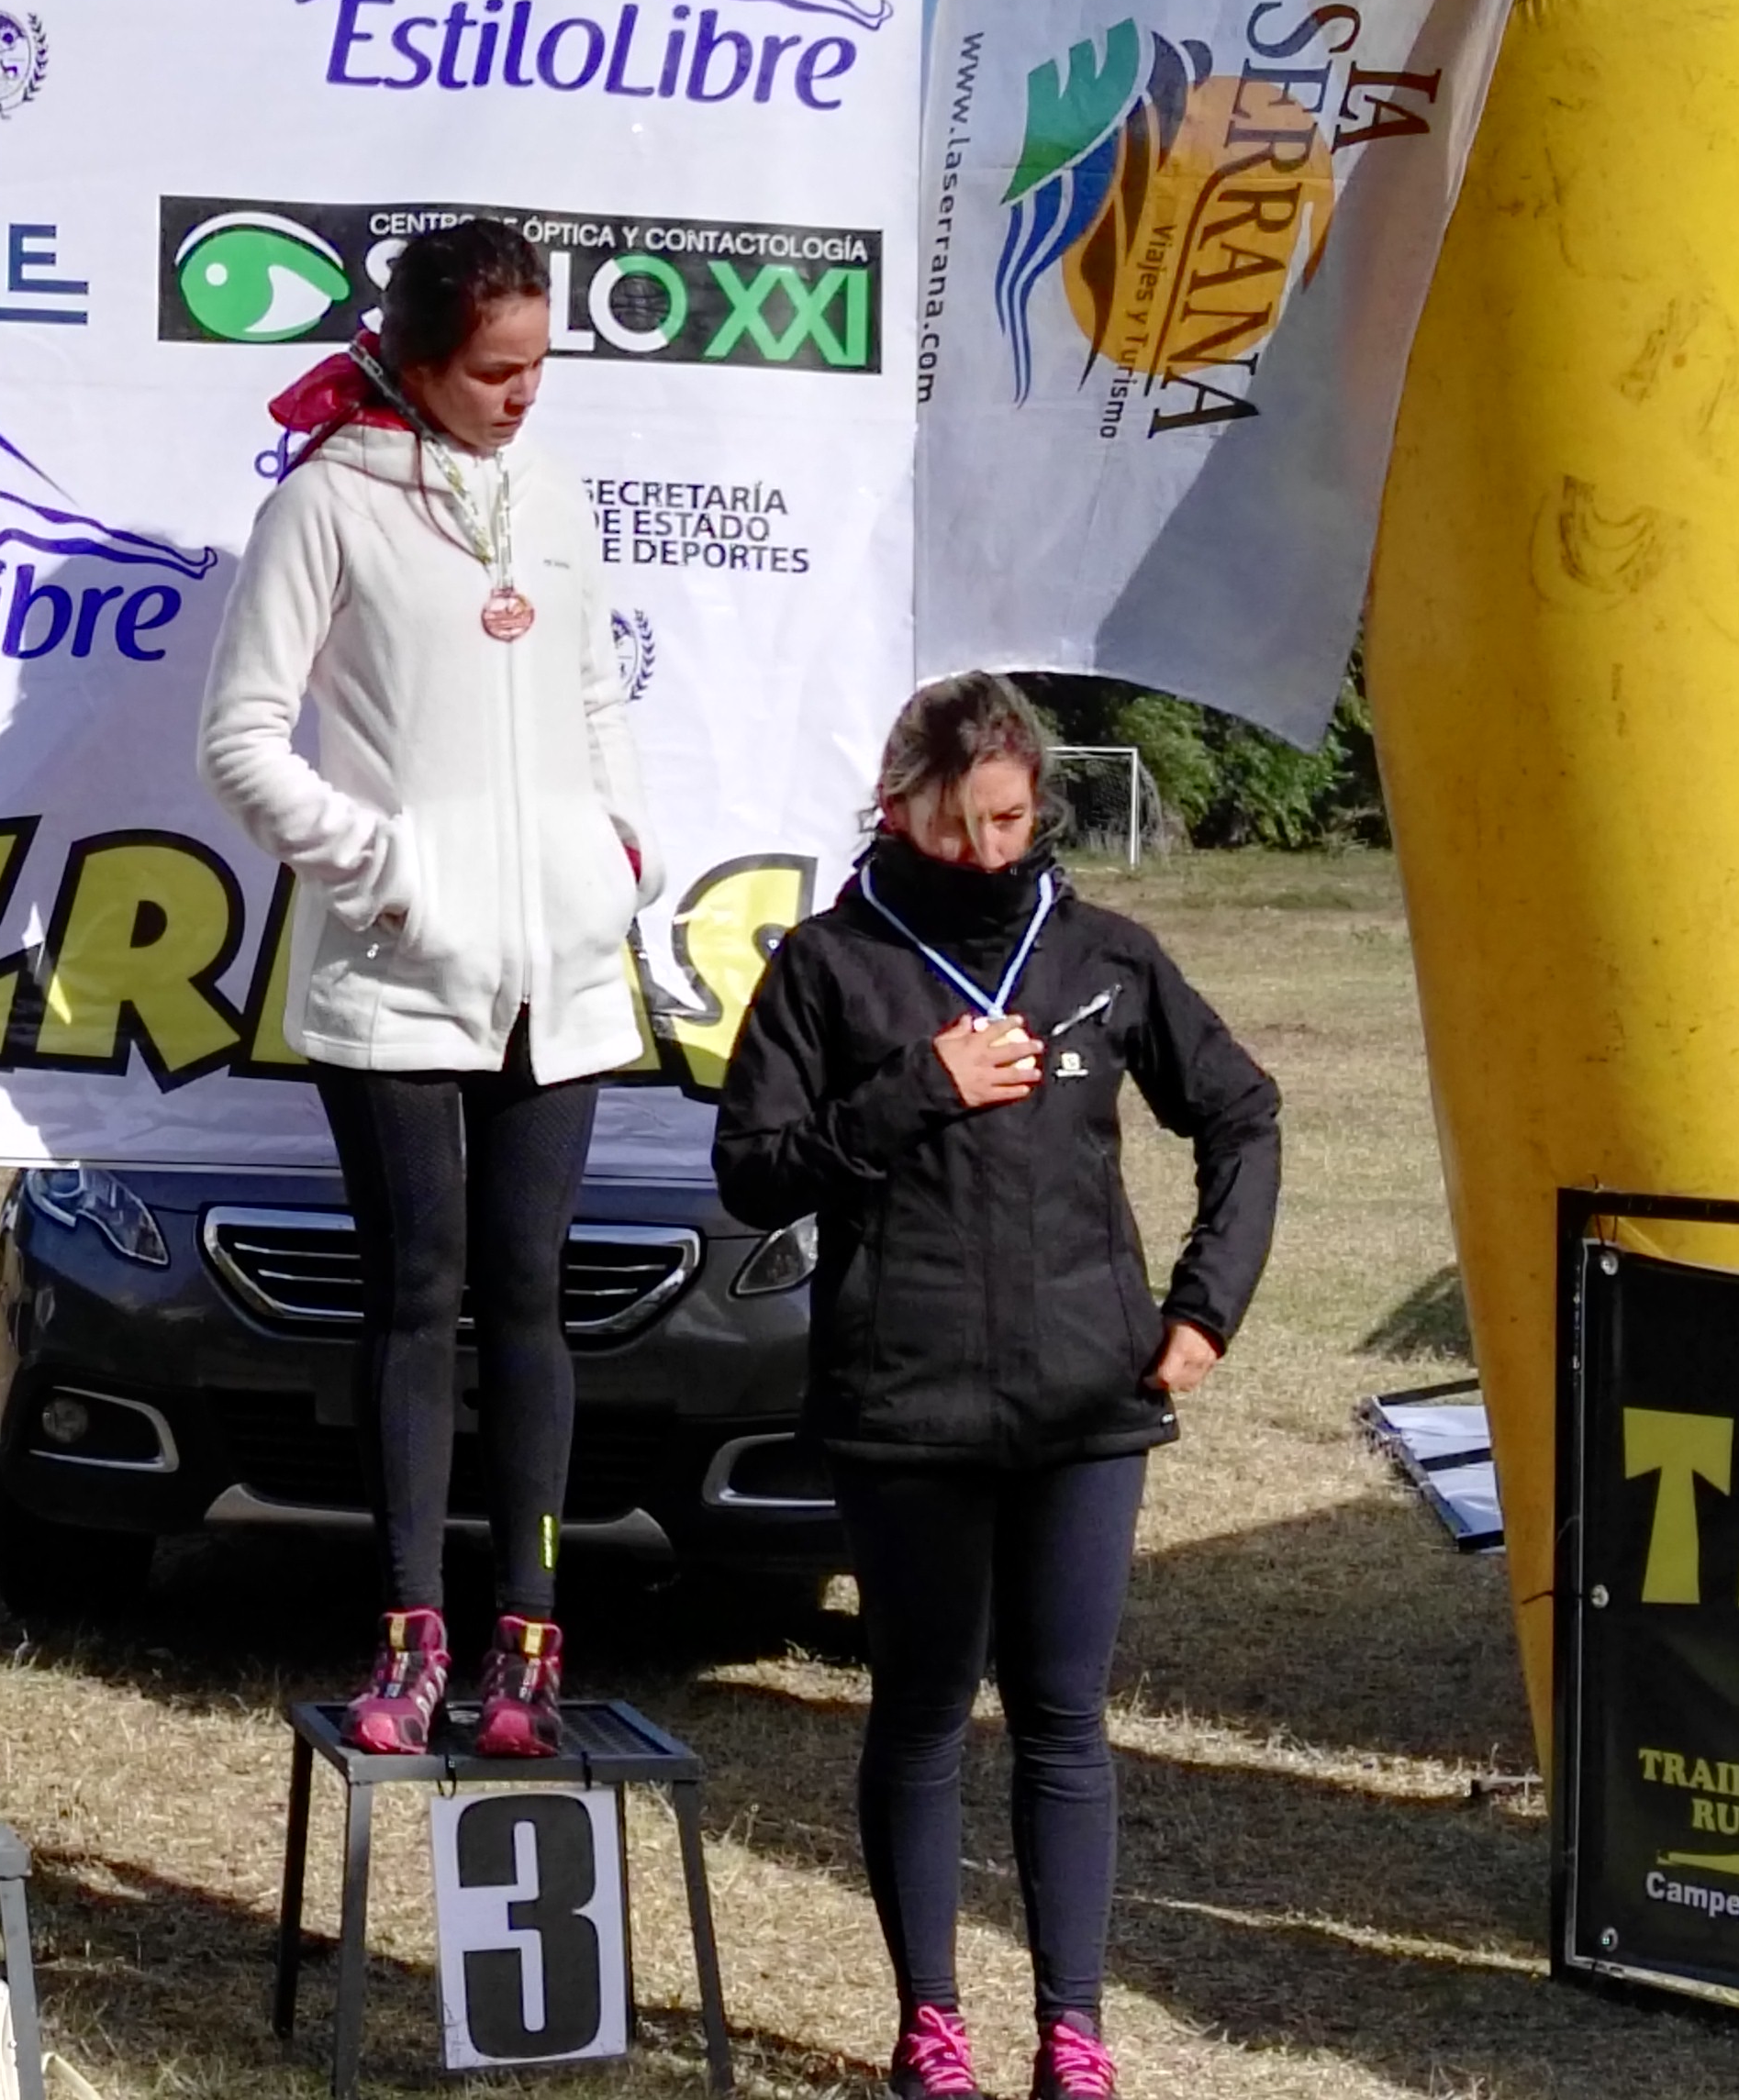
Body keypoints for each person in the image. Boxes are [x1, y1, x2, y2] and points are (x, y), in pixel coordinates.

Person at [714, 672, 1279, 2100]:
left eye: (1009, 821)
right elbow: (752, 1172)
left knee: (1063, 1717)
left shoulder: (1102, 952)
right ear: (895, 805)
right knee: (920, 1712)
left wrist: (1204, 1308)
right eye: (956, 823)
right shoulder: (831, 965)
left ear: (1039, 806)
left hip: (1085, 1403)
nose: (983, 851)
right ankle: (933, 2030)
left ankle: (1073, 2035)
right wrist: (921, 1088)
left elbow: (1243, 1114)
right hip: (906, 1405)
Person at [197, 216, 656, 1757]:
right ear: (414, 356)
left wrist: (619, 848)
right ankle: (408, 1639)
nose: (523, 394)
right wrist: (385, 871)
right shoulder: (329, 500)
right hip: (396, 976)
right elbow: (240, 738)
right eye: (494, 370)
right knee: (415, 1298)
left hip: (559, 977)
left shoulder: (555, 493)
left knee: (531, 1299)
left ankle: (529, 1643)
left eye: (539, 365)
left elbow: (593, 689)